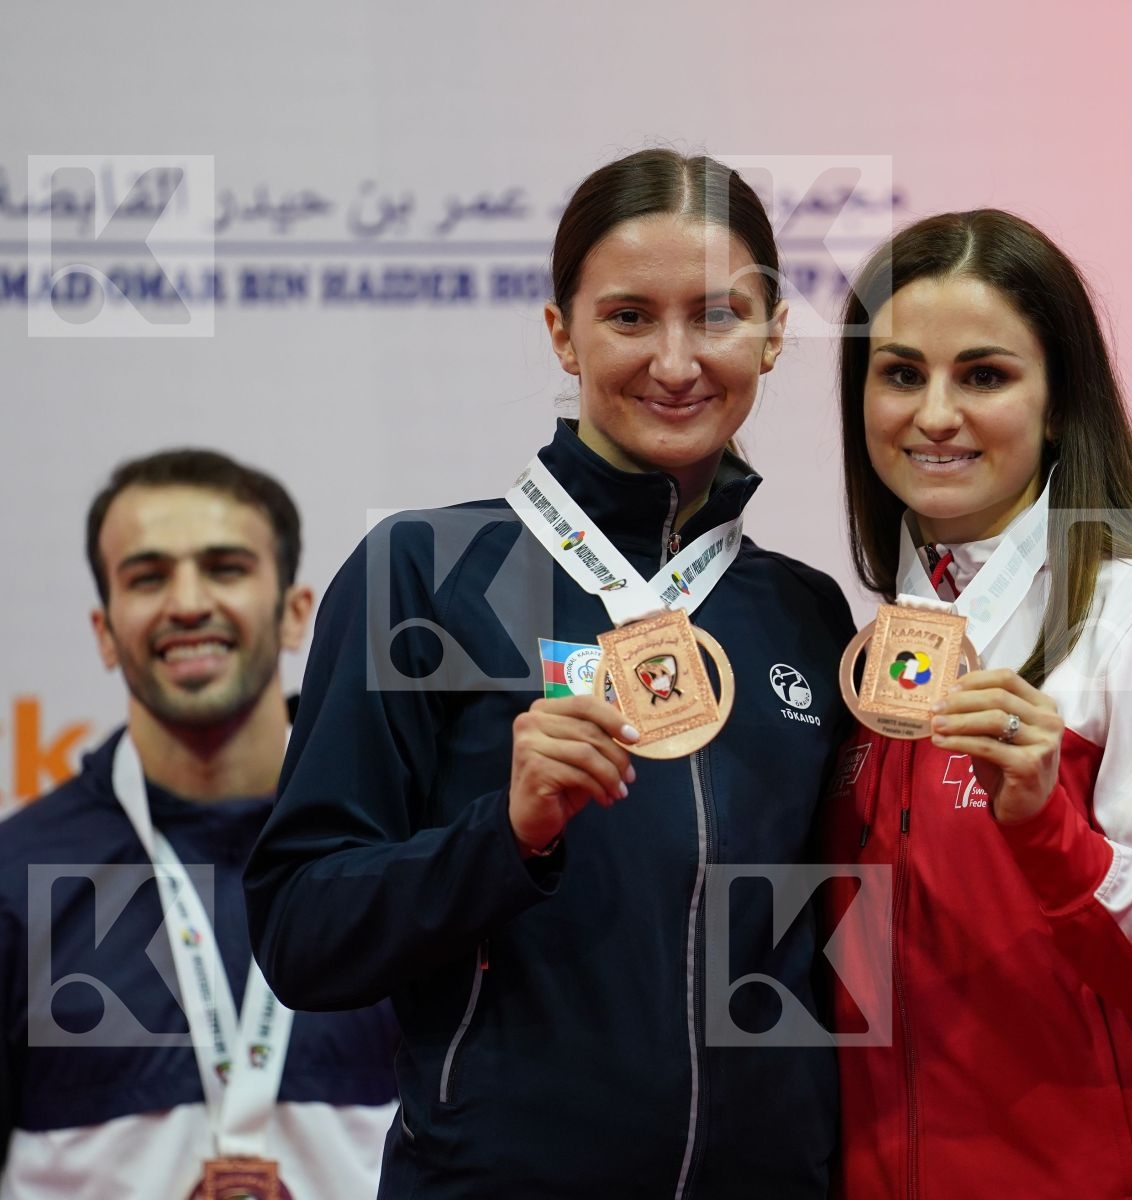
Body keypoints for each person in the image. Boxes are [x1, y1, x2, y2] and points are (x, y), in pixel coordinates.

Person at [243, 149, 858, 1199]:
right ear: (562, 334)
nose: (675, 362)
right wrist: (505, 836)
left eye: (716, 315)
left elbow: (832, 955)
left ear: (771, 334)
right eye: (629, 317)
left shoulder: (804, 614)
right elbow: (303, 932)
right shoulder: (423, 574)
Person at [825, 209, 1132, 1198]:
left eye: (983, 376)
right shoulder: (863, 657)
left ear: (1062, 400)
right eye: (900, 374)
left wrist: (1050, 833)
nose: (933, 415)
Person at [0, 449, 399, 1199]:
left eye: (225, 568)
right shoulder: (20, 881)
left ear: (294, 613)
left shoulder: (393, 863)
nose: (187, 603)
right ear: (104, 631)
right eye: (147, 577)